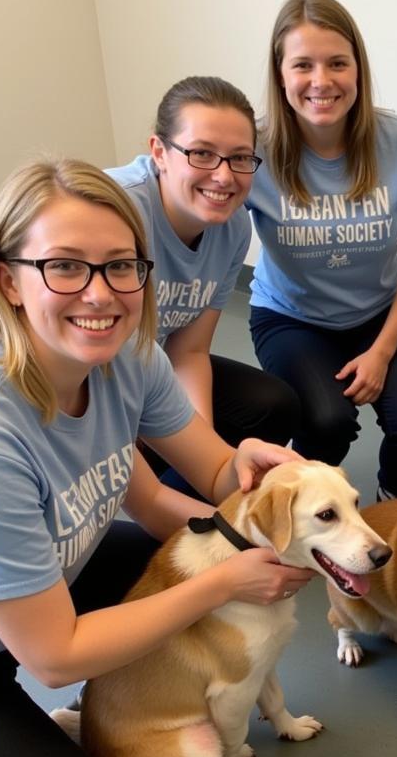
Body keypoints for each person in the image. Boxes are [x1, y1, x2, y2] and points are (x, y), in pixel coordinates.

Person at [0, 160, 314, 757]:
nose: (101, 293)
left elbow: (180, 488)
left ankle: (23, 747)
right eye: (65, 266)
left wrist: (249, 476)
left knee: (185, 574)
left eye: (121, 265)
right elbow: (54, 657)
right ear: (8, 279)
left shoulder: (124, 359)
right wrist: (223, 581)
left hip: (33, 599)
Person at [247, 0, 397, 500]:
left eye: (338, 63)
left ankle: (388, 500)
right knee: (327, 420)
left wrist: (381, 351)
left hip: (381, 315)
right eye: (303, 65)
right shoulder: (252, 151)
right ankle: (306, 506)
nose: (322, 81)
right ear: (280, 75)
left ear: (358, 68)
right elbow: (185, 184)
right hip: (291, 318)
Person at [107, 76, 300, 484]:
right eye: (202, 154)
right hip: (86, 380)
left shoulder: (233, 228)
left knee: (272, 405)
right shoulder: (114, 211)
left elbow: (189, 351)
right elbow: (85, 359)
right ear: (159, 152)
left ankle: (186, 501)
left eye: (240, 158)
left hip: (148, 369)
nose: (224, 176)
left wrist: (208, 460)